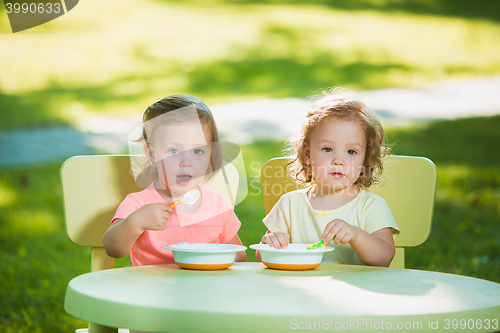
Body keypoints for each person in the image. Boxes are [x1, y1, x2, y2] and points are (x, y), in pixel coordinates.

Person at [258, 88, 399, 267]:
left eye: (351, 151)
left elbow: (384, 258)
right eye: (327, 149)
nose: (338, 160)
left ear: (365, 159)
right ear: (308, 154)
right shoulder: (289, 205)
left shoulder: (370, 207)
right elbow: (261, 256)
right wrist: (271, 244)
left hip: (355, 292)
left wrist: (356, 236)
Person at [103, 94, 246, 265]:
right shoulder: (139, 204)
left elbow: (238, 257)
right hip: (153, 289)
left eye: (198, 151)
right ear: (152, 154)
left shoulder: (217, 204)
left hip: (205, 289)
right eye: (174, 151)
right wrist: (135, 223)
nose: (186, 162)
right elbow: (113, 248)